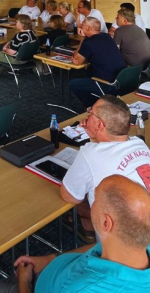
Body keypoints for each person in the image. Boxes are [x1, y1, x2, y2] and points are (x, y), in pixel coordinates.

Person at [0, 174, 150, 293]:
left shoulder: (86, 288)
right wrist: (51, 258)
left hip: (30, 287)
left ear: (107, 223)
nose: (90, 202)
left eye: (94, 198)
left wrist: (24, 282)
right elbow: (96, 247)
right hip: (50, 273)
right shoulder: (133, 243)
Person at [60, 95, 150, 241]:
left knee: (82, 191)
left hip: (123, 247)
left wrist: (91, 144)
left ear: (100, 124)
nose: (87, 115)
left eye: (90, 112)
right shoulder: (139, 143)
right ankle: (88, 226)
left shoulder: (90, 154)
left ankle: (86, 223)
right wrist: (94, 136)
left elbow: (69, 195)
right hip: (144, 229)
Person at [69, 17, 126, 107]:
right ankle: (95, 102)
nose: (80, 26)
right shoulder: (106, 36)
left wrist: (82, 38)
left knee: (73, 83)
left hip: (107, 83)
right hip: (121, 80)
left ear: (88, 28)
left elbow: (77, 60)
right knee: (87, 73)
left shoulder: (88, 42)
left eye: (82, 25)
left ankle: (91, 107)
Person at [0, 15, 37, 81]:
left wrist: (5, 49)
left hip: (18, 59)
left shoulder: (19, 36)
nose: (16, 24)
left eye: (17, 22)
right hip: (28, 58)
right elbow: (17, 42)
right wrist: (9, 42)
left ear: (22, 24)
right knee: (3, 61)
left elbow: (12, 52)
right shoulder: (33, 33)